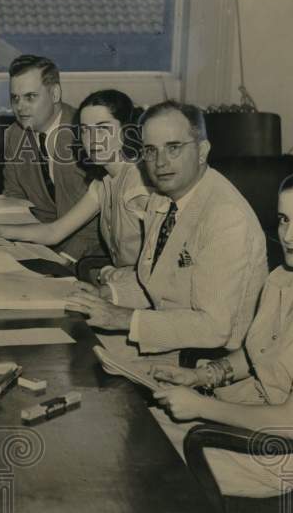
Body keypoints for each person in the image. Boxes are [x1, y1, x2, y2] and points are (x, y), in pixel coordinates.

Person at [149, 166, 293, 497]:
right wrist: (202, 377)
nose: (289, 234)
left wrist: (200, 407)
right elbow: (256, 355)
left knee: (149, 459)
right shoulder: (283, 279)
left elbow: (292, 422)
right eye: (284, 219)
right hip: (249, 420)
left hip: (286, 453)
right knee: (145, 424)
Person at [64, 100, 268, 364]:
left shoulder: (226, 217)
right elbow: (158, 280)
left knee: (82, 366)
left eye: (173, 148)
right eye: (151, 150)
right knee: (68, 345)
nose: (160, 162)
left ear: (202, 151)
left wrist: (122, 317)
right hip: (168, 336)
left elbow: (214, 328)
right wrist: (107, 295)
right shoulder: (164, 198)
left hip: (207, 360)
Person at [0, 88, 147, 277]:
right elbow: (54, 232)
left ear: (126, 130)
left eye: (103, 128)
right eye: (86, 130)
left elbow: (164, 262)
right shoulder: (103, 183)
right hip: (120, 281)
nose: (93, 139)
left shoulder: (140, 183)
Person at [0, 55, 102, 261]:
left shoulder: (84, 134)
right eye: (15, 98)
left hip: (88, 251)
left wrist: (64, 259)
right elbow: (15, 199)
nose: (20, 107)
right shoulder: (14, 135)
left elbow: (96, 221)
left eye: (30, 97)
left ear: (55, 93)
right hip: (37, 242)